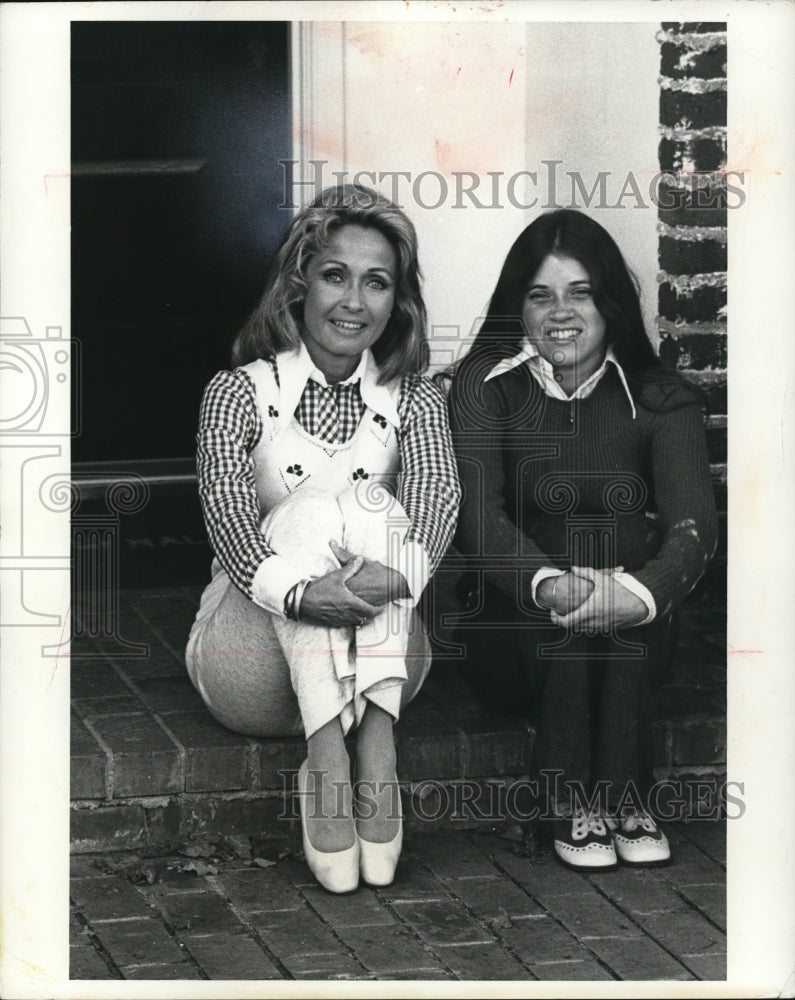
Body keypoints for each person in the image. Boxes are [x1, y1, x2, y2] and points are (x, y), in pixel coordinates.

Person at [185, 185, 461, 893]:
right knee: (311, 509)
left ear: (396, 301)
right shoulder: (237, 392)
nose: (353, 301)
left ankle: (373, 747)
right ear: (301, 280)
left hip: (385, 673)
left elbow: (436, 497)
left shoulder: (417, 397)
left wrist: (385, 581)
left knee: (371, 504)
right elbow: (228, 520)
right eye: (336, 275)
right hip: (252, 664)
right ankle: (327, 755)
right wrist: (306, 595)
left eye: (377, 283)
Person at [447, 208, 717, 871]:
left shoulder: (658, 398)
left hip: (632, 638)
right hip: (513, 639)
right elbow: (479, 522)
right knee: (583, 532)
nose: (559, 312)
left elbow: (695, 527)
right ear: (518, 306)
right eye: (539, 294)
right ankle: (595, 795)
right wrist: (552, 585)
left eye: (579, 291)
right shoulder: (485, 386)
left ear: (609, 302)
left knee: (614, 530)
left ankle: (600, 794)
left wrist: (638, 594)